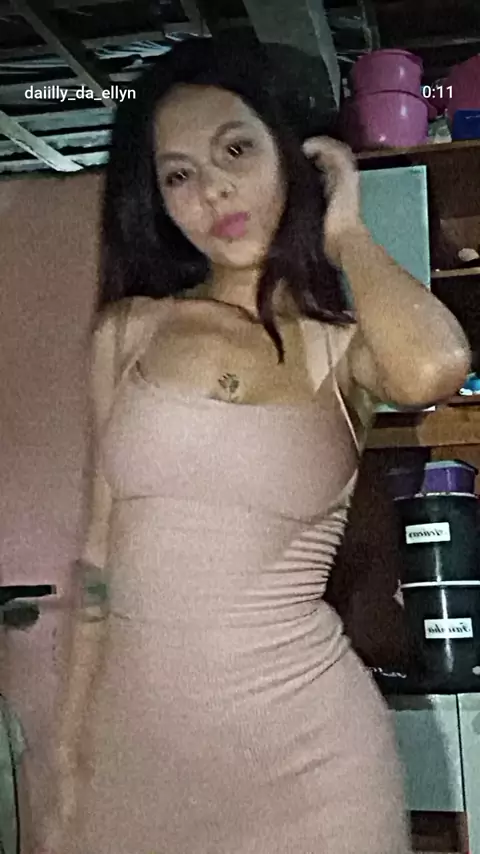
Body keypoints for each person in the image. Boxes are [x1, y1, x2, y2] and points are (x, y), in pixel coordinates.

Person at [40, 34, 470, 854]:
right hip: (142, 760)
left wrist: (346, 232)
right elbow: (96, 556)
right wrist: (66, 753)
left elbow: (436, 366)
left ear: (288, 156)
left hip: (311, 766)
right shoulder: (129, 331)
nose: (214, 190)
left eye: (236, 150)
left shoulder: (343, 351)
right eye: (179, 175)